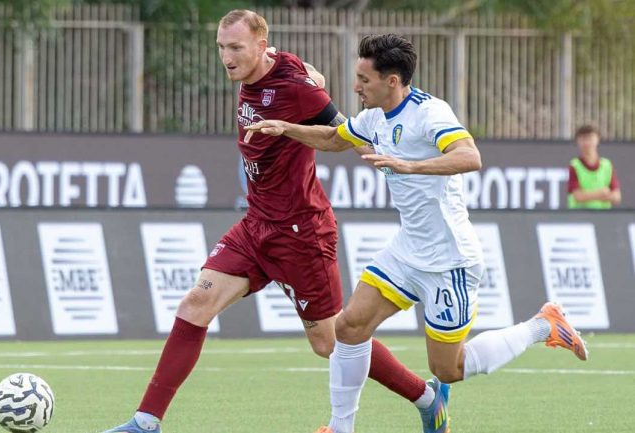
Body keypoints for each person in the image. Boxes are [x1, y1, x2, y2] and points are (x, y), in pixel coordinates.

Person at [100, 12, 437, 433]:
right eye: (222, 47)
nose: (226, 56)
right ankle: (146, 422)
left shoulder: (294, 87)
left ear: (261, 45)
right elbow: (300, 67)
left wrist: (402, 164)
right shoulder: (267, 65)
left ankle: (425, 395)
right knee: (195, 304)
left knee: (330, 341)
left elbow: (344, 134)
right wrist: (311, 73)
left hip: (301, 232)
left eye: (235, 47)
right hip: (256, 223)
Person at [246, 34, 589, 433]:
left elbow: (470, 156)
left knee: (449, 368)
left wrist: (410, 166)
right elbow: (334, 138)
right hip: (409, 249)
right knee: (349, 326)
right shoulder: (374, 116)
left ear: (392, 81)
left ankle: (543, 325)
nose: (355, 87)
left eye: (363, 79)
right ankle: (340, 428)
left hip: (449, 260)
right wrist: (286, 128)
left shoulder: (430, 113)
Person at [568, 124, 621, 209]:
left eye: (590, 138)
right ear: (577, 141)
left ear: (597, 139)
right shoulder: (575, 166)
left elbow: (616, 197)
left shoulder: (607, 165)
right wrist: (601, 193)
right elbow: (577, 196)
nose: (587, 143)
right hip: (580, 217)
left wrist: (590, 196)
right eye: (583, 138)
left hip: (603, 217)